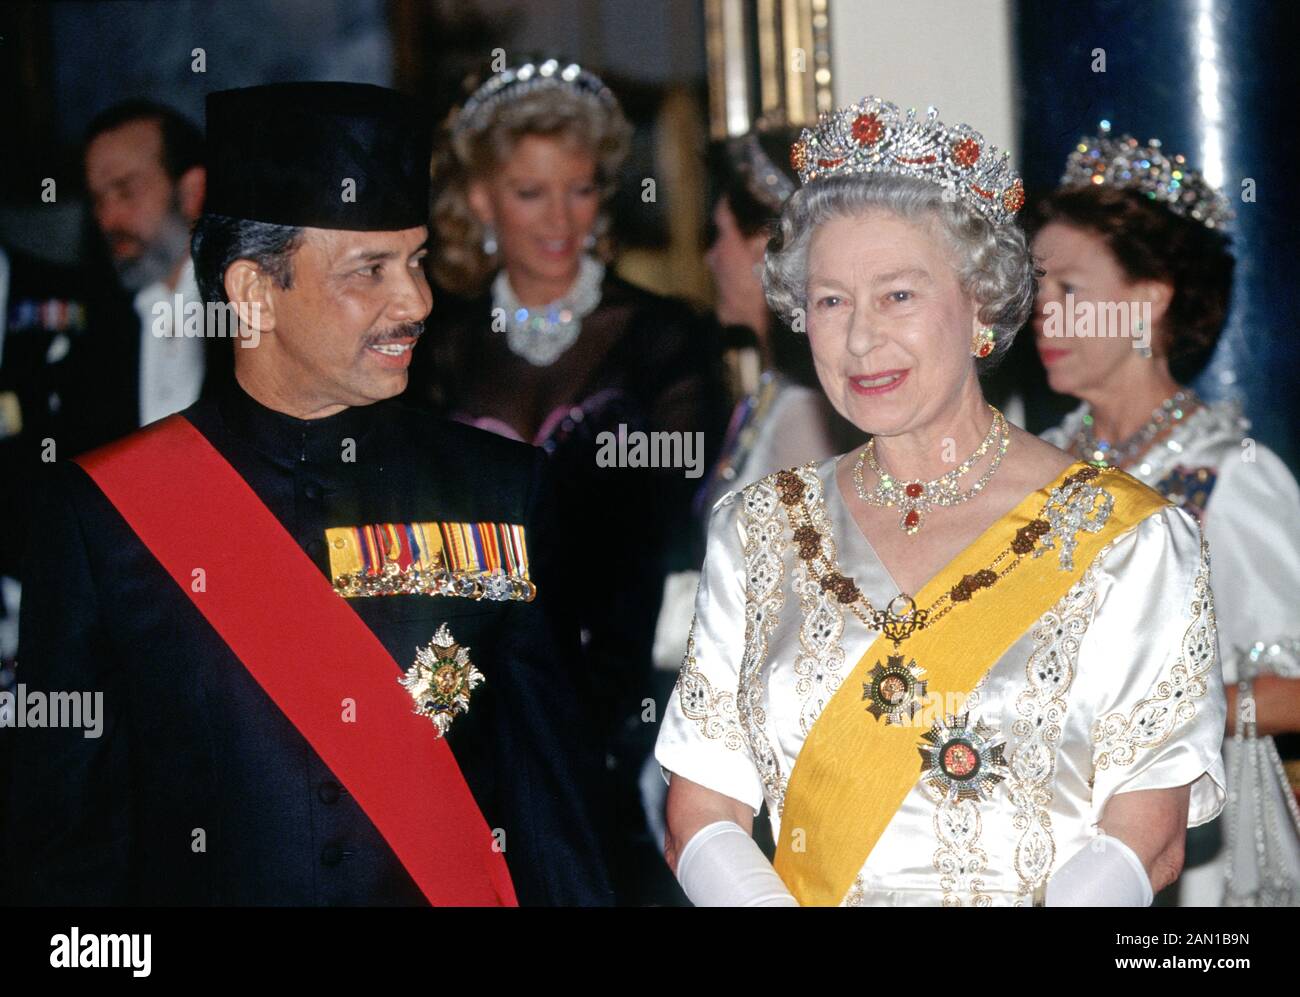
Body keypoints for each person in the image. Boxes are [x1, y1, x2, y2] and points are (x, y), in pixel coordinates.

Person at [4, 82, 611, 906]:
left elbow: (557, 825)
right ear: (253, 292)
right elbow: (67, 854)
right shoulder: (102, 513)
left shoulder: (503, 490)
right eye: (371, 270)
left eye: (417, 261)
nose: (417, 301)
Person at [654, 97, 1227, 906]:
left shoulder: (1128, 539)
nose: (860, 339)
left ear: (981, 305)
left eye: (897, 296)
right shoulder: (759, 530)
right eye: (830, 300)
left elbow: (1150, 834)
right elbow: (701, 812)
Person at [410, 59, 728, 904]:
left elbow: (673, 521)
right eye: (530, 193)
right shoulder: (435, 345)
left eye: (580, 190)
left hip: (621, 692)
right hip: (464, 688)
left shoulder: (663, 337)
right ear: (480, 199)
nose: (561, 220)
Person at [1031, 123, 1300, 905]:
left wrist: (1161, 715)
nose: (1043, 315)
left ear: (1149, 299)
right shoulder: (1031, 467)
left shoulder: (1231, 475)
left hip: (1197, 849)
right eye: (1037, 291)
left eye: (1069, 291)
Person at [75, 100, 221, 448]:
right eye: (98, 200)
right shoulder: (96, 332)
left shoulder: (248, 315)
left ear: (193, 191)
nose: (108, 220)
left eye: (125, 191)